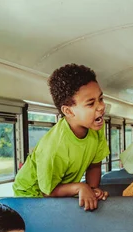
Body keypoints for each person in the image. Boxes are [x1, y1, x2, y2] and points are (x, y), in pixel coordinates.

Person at [13, 64, 110, 211]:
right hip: (31, 197)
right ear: (68, 111)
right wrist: (79, 187)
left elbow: (95, 164)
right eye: (91, 103)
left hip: (57, 191)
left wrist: (92, 189)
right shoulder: (55, 147)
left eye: (100, 98)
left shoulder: (95, 128)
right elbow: (48, 191)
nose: (101, 106)